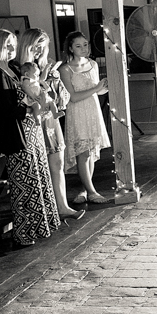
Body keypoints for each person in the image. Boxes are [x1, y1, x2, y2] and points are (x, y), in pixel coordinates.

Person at [0, 29, 60, 247]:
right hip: (16, 133)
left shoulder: (12, 68)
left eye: (12, 44)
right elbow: (5, 108)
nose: (11, 49)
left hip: (31, 130)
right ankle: (24, 233)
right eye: (6, 45)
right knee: (23, 184)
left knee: (37, 178)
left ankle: (40, 227)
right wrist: (28, 110)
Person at [16, 28, 84, 221]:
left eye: (42, 47)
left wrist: (55, 84)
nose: (39, 52)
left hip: (51, 119)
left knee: (58, 163)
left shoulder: (48, 66)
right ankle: (47, 209)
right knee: (40, 166)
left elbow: (63, 97)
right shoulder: (19, 69)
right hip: (34, 121)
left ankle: (62, 206)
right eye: (35, 47)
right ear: (27, 46)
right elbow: (24, 97)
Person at [59, 31, 110, 205]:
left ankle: (85, 189)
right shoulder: (65, 69)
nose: (83, 48)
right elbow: (72, 97)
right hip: (78, 111)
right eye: (78, 46)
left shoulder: (93, 64)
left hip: (93, 110)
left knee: (91, 152)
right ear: (71, 48)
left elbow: (98, 90)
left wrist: (106, 86)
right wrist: (96, 89)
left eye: (85, 44)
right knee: (82, 152)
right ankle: (92, 191)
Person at [18, 61, 61, 126]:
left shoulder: (35, 79)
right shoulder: (26, 80)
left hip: (39, 96)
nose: (38, 77)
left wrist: (46, 68)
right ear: (27, 74)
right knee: (36, 107)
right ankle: (37, 119)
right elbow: (25, 87)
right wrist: (32, 95)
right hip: (32, 98)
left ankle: (55, 113)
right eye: (36, 75)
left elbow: (42, 78)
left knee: (51, 102)